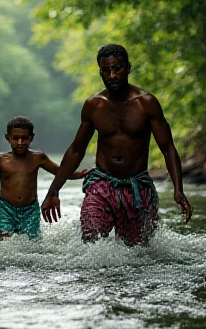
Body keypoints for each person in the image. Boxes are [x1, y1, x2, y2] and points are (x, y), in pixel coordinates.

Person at [41, 44, 193, 245]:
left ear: (128, 68)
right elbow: (76, 150)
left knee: (136, 255)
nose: (112, 75)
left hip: (137, 187)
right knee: (91, 244)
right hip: (101, 184)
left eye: (117, 68)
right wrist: (53, 191)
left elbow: (168, 148)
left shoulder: (146, 103)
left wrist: (178, 189)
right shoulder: (94, 105)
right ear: (100, 72)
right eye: (106, 70)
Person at [0, 116, 88, 240]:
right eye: (15, 138)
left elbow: (60, 172)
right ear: (8, 138)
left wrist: (80, 174)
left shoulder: (38, 158)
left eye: (24, 138)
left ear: (31, 137)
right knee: (4, 240)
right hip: (5, 209)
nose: (20, 142)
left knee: (31, 243)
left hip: (30, 210)